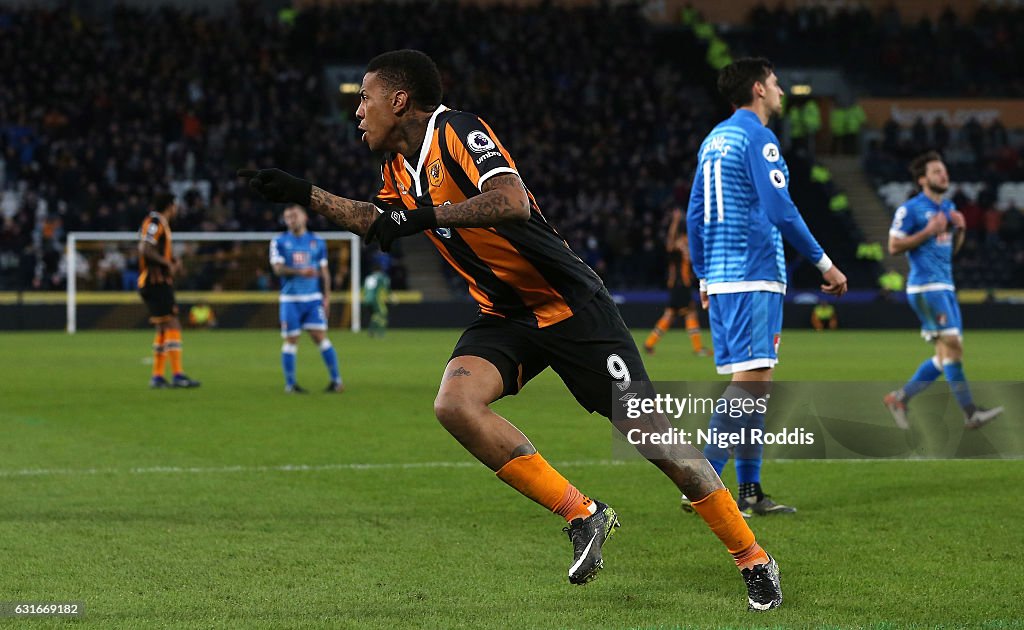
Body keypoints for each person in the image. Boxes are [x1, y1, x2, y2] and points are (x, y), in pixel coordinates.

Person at [239, 49, 782, 611]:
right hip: (505, 314)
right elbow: (375, 221)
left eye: (365, 97)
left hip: (571, 305)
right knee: (455, 404)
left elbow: (511, 202)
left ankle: (753, 559)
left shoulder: (458, 131)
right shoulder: (398, 168)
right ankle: (583, 514)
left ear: (399, 100)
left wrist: (422, 216)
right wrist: (303, 192)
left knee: (655, 440)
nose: (358, 111)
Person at [684, 58, 848, 517]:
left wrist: (702, 274)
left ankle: (750, 492)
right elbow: (780, 210)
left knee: (758, 382)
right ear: (758, 89)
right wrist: (825, 264)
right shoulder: (759, 136)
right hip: (752, 271)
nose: (780, 92)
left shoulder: (714, 139)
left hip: (721, 275)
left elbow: (694, 213)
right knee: (751, 382)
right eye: (776, 84)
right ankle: (702, 481)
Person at [883, 151, 1002, 430]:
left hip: (946, 286)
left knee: (946, 355)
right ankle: (970, 412)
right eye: (936, 172)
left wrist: (959, 232)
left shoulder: (947, 207)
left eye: (944, 171)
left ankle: (899, 399)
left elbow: (949, 251)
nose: (943, 175)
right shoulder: (910, 209)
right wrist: (928, 230)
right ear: (923, 179)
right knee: (954, 348)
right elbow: (893, 246)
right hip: (926, 287)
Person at [270, 204, 343, 394]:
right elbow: (277, 269)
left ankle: (336, 381)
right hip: (290, 299)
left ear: (304, 218)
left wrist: (326, 297)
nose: (291, 219)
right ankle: (290, 384)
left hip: (312, 299)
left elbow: (324, 272)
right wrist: (300, 271)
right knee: (291, 339)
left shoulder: (317, 242)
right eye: (288, 216)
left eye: (294, 215)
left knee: (320, 337)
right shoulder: (279, 241)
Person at [137, 192, 200, 388]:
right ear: (171, 205)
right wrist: (167, 263)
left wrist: (172, 262)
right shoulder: (155, 221)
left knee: (163, 327)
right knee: (173, 324)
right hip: (156, 282)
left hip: (156, 281)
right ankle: (178, 374)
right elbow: (145, 248)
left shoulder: (159, 223)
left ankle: (157, 376)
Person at [643, 207, 710, 356]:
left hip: (677, 285)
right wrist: (674, 221)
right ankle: (698, 348)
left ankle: (649, 344)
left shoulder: (685, 247)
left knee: (670, 314)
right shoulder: (678, 248)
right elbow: (670, 242)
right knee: (690, 313)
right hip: (680, 285)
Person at [363, 260, 391, 338]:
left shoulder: (368, 277)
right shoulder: (381, 277)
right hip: (375, 299)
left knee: (375, 315)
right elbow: (386, 287)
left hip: (366, 299)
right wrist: (390, 297)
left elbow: (364, 288)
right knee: (383, 313)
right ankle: (380, 333)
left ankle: (371, 331)